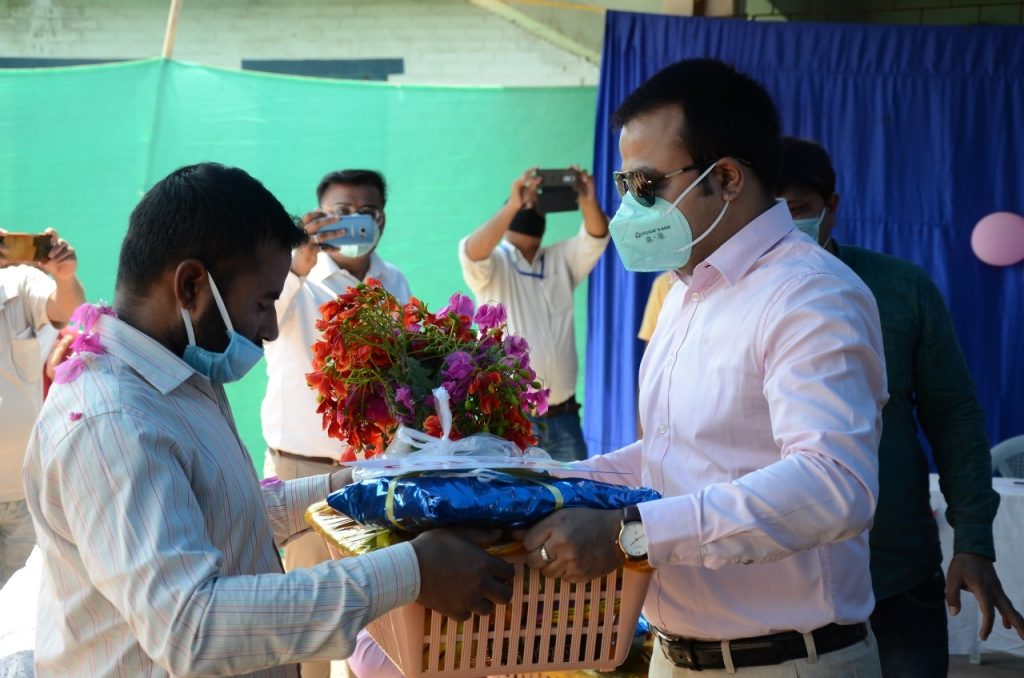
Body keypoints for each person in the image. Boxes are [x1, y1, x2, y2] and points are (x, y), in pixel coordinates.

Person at [22, 163, 513, 677]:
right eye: (263, 302)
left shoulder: (178, 378)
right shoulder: (112, 422)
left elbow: (224, 509)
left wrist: (363, 483)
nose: (271, 329)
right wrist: (410, 571)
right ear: (191, 286)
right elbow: (193, 628)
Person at [521, 59, 888, 676]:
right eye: (624, 186)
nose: (630, 206)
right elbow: (676, 455)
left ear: (726, 178)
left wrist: (630, 533)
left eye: (647, 185)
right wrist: (538, 483)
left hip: (785, 662)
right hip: (675, 655)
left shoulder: (809, 294)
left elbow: (834, 485)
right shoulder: (685, 291)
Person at [776, 136, 1024, 676]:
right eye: (765, 213)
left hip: (893, 571)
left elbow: (954, 417)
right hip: (770, 583)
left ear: (831, 208)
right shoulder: (716, 300)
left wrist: (974, 542)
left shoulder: (898, 288)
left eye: (795, 211)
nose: (779, 228)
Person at [261, 168, 410, 678]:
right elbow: (262, 328)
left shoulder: (394, 281)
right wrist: (296, 264)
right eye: (339, 213)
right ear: (318, 218)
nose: (353, 222)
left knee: (376, 603)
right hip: (302, 467)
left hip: (370, 467)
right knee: (309, 610)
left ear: (381, 220)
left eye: (364, 212)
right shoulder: (291, 280)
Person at [459, 165, 610, 461]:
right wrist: (513, 205)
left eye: (536, 205)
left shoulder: (559, 259)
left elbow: (596, 236)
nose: (530, 208)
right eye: (524, 205)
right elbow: (471, 252)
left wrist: (587, 198)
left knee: (573, 491)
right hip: (512, 419)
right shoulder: (495, 262)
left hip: (565, 418)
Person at [0, 227, 84, 586]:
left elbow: (69, 308)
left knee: (19, 604)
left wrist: (65, 278)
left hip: (25, 492)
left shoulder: (20, 284)